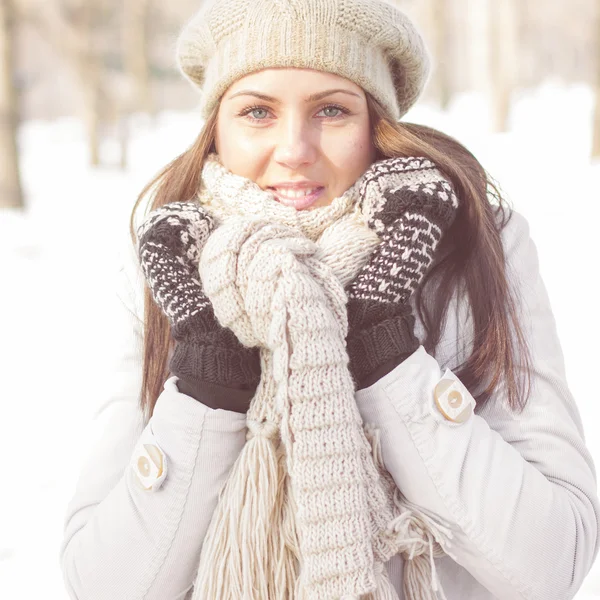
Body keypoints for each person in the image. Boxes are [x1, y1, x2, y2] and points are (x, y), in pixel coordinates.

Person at [59, 0, 600, 599]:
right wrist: (207, 385)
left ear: (376, 123)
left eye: (332, 110)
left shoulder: (467, 247)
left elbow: (552, 565)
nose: (294, 149)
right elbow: (101, 583)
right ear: (217, 126)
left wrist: (388, 355)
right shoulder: (174, 266)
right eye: (258, 111)